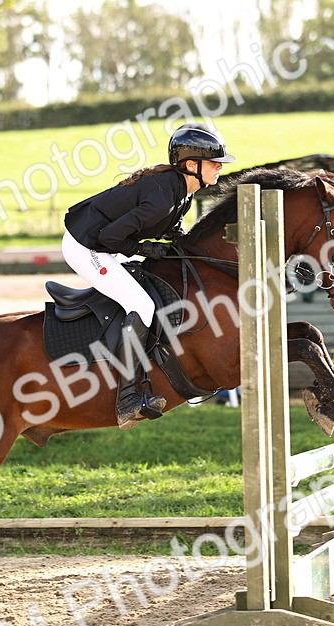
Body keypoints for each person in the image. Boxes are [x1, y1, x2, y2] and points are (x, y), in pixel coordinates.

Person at [62, 122, 236, 428]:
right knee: (141, 306)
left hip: (104, 242)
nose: (220, 167)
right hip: (87, 246)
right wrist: (145, 249)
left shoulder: (182, 191)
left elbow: (173, 229)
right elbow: (111, 236)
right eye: (214, 162)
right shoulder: (163, 198)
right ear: (191, 165)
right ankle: (127, 398)